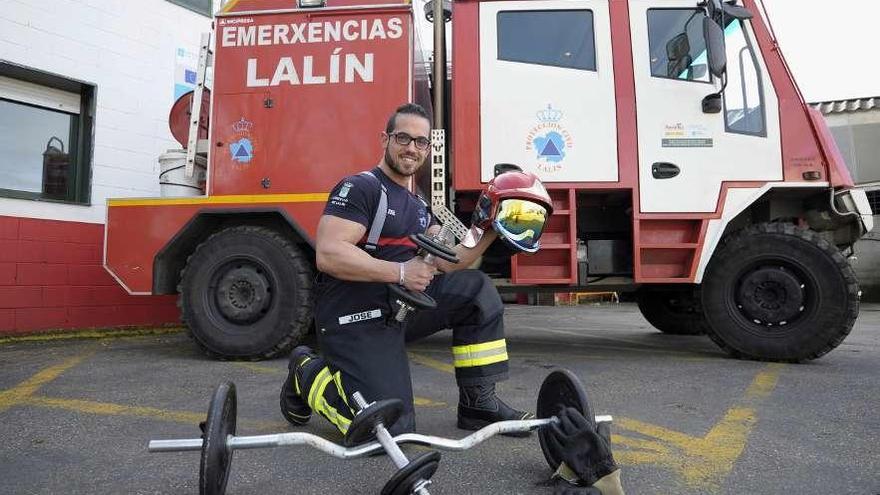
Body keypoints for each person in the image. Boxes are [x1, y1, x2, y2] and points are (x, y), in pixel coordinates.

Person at [279, 103, 551, 437]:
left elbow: (452, 261)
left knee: (476, 290)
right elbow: (330, 254)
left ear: (428, 149)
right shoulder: (362, 188)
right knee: (387, 429)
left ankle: (478, 404)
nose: (412, 147)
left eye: (421, 142)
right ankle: (305, 371)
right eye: (403, 138)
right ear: (385, 139)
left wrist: (490, 223)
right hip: (352, 316)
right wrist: (402, 273)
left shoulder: (419, 205)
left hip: (397, 309)